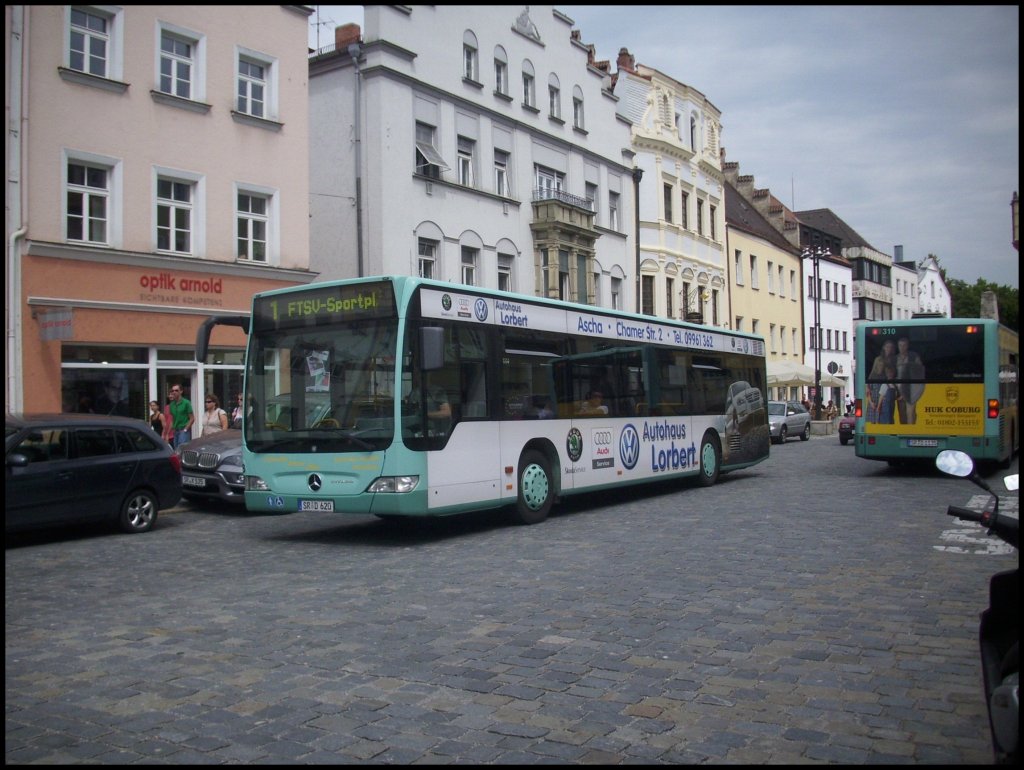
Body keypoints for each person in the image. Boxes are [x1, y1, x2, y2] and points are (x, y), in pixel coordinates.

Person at [895, 336, 925, 425]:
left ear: (907, 346)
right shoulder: (895, 358)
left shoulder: (913, 356)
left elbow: (919, 369)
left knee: (910, 412)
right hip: (899, 388)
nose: (902, 347)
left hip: (911, 388)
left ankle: (911, 431)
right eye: (900, 345)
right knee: (902, 413)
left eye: (904, 345)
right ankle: (905, 430)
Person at [865, 339, 896, 423]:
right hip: (875, 392)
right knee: (873, 418)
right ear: (884, 348)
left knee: (884, 416)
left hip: (884, 392)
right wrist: (870, 400)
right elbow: (871, 376)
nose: (889, 349)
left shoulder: (894, 360)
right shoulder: (878, 359)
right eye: (887, 347)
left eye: (891, 347)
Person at [168, 383, 195, 448]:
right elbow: (172, 419)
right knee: (176, 450)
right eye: (173, 390)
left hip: (183, 430)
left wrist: (185, 429)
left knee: (182, 449)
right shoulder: (171, 405)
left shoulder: (186, 403)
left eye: (176, 390)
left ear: (181, 391)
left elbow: (192, 418)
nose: (174, 392)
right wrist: (169, 432)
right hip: (175, 430)